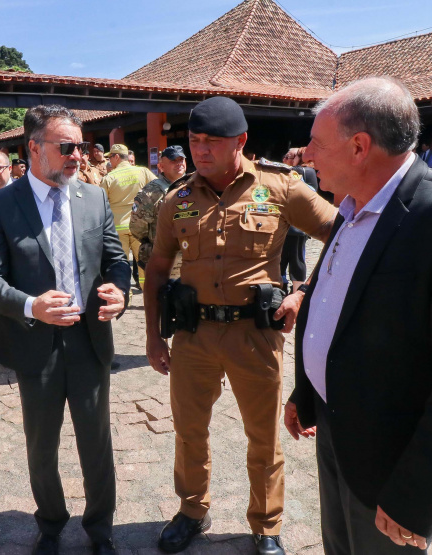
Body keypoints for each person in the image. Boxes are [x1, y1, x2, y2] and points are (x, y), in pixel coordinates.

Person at [284, 76, 432, 555]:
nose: (307, 154)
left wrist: (416, 494)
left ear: (359, 147)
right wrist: (306, 392)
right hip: (336, 427)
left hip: (394, 458)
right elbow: (335, 305)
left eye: (315, 143)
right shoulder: (350, 206)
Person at [144, 96, 336, 555]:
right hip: (194, 336)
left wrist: (303, 293)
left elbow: (343, 232)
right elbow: (156, 269)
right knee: (190, 430)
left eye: (213, 141)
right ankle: (192, 509)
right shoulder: (179, 198)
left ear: (241, 141)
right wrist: (153, 335)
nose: (201, 151)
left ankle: (266, 526)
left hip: (256, 335)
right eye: (194, 141)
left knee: (263, 436)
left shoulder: (281, 188)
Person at [0, 105, 130, 555]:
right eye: (66, 147)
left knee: (96, 442)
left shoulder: (93, 197)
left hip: (88, 340)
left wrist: (120, 292)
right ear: (34, 148)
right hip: (35, 345)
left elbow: (116, 261)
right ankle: (50, 524)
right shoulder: (2, 202)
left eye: (80, 147)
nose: (77, 156)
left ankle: (100, 530)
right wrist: (30, 305)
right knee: (41, 445)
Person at [99, 144, 157, 290]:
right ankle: (148, 297)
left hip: (117, 229)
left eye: (110, 157)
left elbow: (100, 204)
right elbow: (159, 189)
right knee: (145, 264)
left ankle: (125, 297)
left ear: (116, 157)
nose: (109, 161)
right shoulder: (143, 172)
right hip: (141, 227)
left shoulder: (109, 178)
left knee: (120, 266)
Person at [129, 145, 187, 277]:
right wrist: (153, 240)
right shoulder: (152, 192)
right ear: (161, 167)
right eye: (173, 161)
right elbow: (137, 227)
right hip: (165, 260)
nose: (179, 164)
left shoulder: (194, 185)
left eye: (181, 160)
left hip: (191, 259)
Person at [277, 149, 319, 293]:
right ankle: (283, 289)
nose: (285, 159)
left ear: (299, 159)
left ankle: (295, 292)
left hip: (295, 226)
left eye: (289, 156)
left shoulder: (302, 172)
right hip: (293, 226)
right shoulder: (307, 172)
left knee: (295, 260)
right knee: (287, 259)